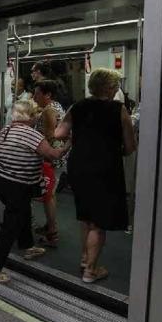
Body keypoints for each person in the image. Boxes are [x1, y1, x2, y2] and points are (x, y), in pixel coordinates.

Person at [55, 68, 136, 284]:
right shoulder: (118, 110)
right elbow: (129, 147)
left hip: (79, 166)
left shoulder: (78, 106)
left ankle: (84, 258)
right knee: (98, 223)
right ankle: (91, 270)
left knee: (86, 216)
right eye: (116, 85)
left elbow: (59, 133)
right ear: (109, 88)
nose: (117, 89)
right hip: (105, 168)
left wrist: (81, 139)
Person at [0, 100, 67, 284]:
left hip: (0, 181)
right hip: (18, 185)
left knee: (23, 210)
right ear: (30, 116)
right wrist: (68, 145)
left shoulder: (6, 131)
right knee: (11, 223)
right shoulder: (33, 135)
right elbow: (52, 155)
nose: (37, 116)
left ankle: (27, 246)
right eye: (35, 113)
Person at [32, 80, 66, 246]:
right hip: (55, 157)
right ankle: (49, 226)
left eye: (37, 93)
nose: (34, 96)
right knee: (49, 193)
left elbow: (51, 136)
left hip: (49, 158)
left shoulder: (49, 111)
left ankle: (52, 232)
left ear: (48, 95)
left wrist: (46, 156)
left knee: (48, 196)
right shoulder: (56, 106)